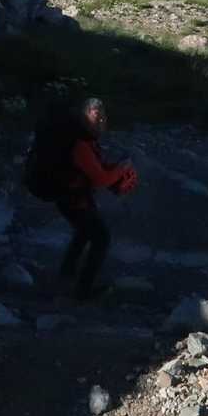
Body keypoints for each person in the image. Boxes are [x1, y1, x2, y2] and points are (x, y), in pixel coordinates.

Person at [26, 97, 138, 299]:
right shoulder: (80, 144)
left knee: (84, 231)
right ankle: (83, 291)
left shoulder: (80, 138)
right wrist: (121, 169)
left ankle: (67, 273)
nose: (101, 120)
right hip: (72, 198)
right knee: (101, 237)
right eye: (96, 116)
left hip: (69, 195)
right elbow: (100, 179)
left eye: (102, 116)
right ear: (84, 115)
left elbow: (91, 170)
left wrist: (111, 171)